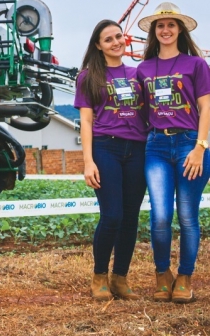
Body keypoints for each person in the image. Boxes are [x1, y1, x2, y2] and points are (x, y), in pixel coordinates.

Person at [137, 2, 210, 303]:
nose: (165, 30)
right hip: (156, 146)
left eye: (171, 24)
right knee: (161, 216)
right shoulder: (142, 69)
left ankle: (185, 277)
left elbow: (207, 106)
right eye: (160, 25)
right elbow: (139, 111)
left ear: (180, 29)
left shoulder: (196, 65)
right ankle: (161, 274)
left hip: (190, 144)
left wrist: (200, 147)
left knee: (188, 216)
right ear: (154, 32)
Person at [74, 20, 148, 301]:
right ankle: (99, 276)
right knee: (112, 215)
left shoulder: (137, 74)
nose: (116, 42)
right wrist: (88, 162)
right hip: (107, 149)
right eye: (108, 39)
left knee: (130, 218)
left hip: (137, 150)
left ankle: (120, 277)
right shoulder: (89, 76)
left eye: (119, 36)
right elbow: (86, 120)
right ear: (98, 45)